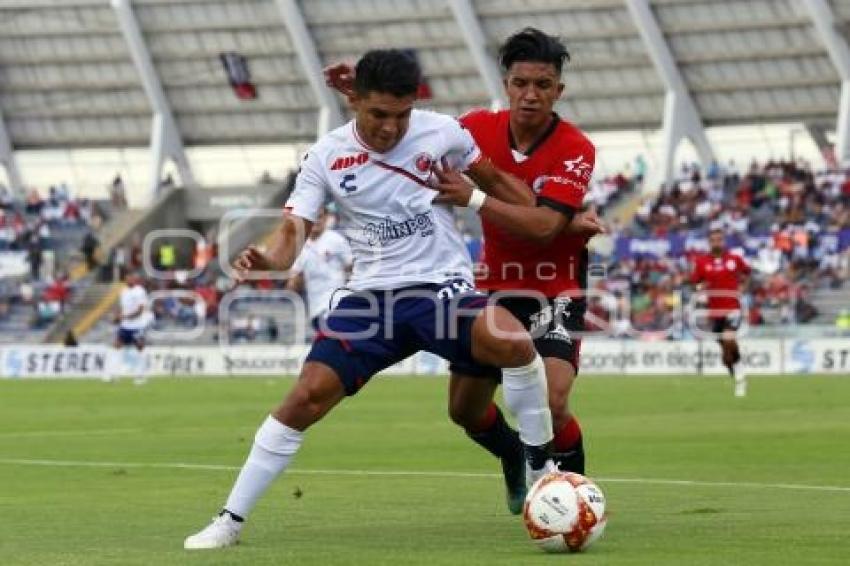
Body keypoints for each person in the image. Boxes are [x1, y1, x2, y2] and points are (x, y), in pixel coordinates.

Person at [184, 49, 559, 550]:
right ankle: (228, 521)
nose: (390, 128)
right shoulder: (326, 155)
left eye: (401, 115)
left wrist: (471, 193)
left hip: (439, 286)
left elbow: (519, 198)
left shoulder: (443, 132)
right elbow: (294, 228)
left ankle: (542, 469)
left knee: (512, 343)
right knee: (305, 396)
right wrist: (272, 260)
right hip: (372, 298)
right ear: (354, 101)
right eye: (379, 114)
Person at [325, 28, 603, 514]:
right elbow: (411, 133)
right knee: (464, 411)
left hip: (554, 289)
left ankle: (576, 497)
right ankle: (513, 454)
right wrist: (362, 97)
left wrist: (475, 197)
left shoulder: (576, 147)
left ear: (559, 89)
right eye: (521, 83)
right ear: (506, 84)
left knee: (553, 401)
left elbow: (542, 229)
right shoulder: (473, 127)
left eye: (543, 84)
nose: (530, 95)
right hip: (492, 287)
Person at [690, 227, 751, 397]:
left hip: (732, 307)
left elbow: (747, 273)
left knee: (728, 338)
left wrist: (743, 287)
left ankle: (740, 378)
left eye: (719, 239)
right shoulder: (702, 262)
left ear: (723, 241)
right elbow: (695, 283)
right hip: (714, 312)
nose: (717, 242)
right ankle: (735, 370)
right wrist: (699, 288)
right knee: (726, 356)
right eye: (713, 240)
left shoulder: (734, 259)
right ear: (709, 242)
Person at [285, 207, 353, 331]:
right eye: (313, 216)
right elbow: (292, 287)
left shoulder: (336, 240)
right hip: (316, 310)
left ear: (326, 218)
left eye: (320, 216)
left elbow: (353, 267)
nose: (316, 220)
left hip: (337, 305)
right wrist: (297, 278)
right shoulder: (300, 246)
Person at [111, 272, 150, 384]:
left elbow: (140, 310)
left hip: (137, 326)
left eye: (132, 277)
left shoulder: (140, 291)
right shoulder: (123, 291)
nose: (130, 280)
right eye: (128, 278)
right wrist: (117, 316)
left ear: (135, 279)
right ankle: (114, 375)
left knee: (140, 349)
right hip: (125, 326)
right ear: (125, 279)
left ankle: (140, 376)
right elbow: (122, 307)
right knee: (116, 347)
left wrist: (124, 317)